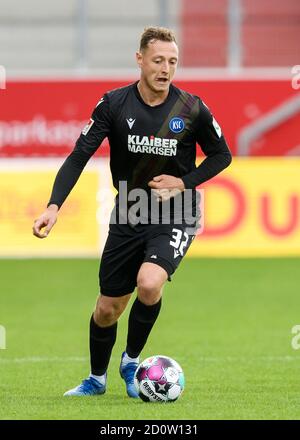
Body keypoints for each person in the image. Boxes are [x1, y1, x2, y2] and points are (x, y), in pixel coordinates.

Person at [32, 26, 232, 398]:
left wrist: (183, 182)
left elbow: (223, 155)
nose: (166, 69)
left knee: (150, 282)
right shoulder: (113, 104)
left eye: (173, 62)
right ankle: (96, 379)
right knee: (108, 308)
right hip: (129, 210)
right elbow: (79, 155)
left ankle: (132, 359)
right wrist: (54, 206)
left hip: (177, 211)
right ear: (139, 59)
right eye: (158, 60)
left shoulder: (191, 108)